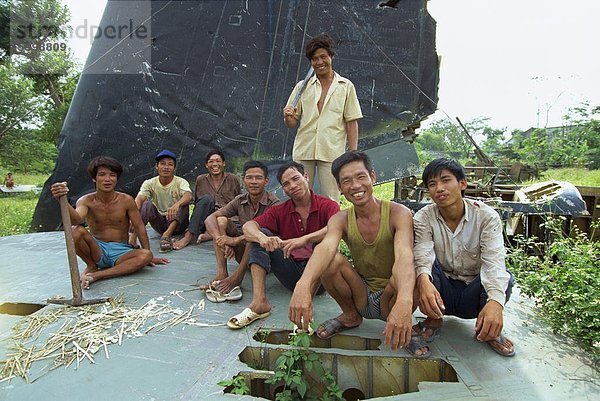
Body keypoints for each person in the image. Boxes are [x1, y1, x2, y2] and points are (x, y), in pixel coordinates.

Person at [288, 151, 429, 357]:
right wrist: (303, 286)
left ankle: (404, 327)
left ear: (373, 177)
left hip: (393, 294)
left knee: (414, 274)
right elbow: (325, 248)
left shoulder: (399, 213)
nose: (355, 186)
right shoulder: (340, 219)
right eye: (346, 181)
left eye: (361, 177)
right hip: (361, 293)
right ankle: (351, 315)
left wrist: (405, 303)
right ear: (339, 187)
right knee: (331, 260)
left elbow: (404, 257)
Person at [413, 158, 516, 357]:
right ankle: (433, 320)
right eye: (432, 184)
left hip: (473, 294)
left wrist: (495, 303)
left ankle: (490, 330)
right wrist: (423, 281)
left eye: (446, 180)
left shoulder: (486, 217)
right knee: (421, 269)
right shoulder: (424, 217)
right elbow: (423, 254)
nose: (439, 188)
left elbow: (494, 262)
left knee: (505, 278)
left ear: (462, 183)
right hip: (442, 294)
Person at [227, 161, 339, 329]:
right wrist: (261, 237)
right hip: (291, 273)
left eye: (296, 179)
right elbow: (247, 227)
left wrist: (305, 239)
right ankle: (259, 302)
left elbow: (337, 229)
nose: (292, 186)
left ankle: (306, 303)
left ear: (306, 177)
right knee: (261, 235)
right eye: (286, 184)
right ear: (283, 189)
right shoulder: (280, 210)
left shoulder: (328, 205)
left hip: (320, 277)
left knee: (322, 244)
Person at [50, 156, 168, 289]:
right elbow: (77, 219)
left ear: (117, 178)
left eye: (112, 175)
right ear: (94, 178)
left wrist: (148, 253)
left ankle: (97, 275)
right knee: (74, 231)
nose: (107, 179)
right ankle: (91, 265)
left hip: (122, 251)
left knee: (145, 255)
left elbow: (139, 227)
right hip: (97, 249)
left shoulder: (126, 200)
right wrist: (62, 200)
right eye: (102, 175)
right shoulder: (86, 200)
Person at [283, 33, 363, 201]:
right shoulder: (302, 86)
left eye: (323, 57)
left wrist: (353, 153)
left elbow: (351, 121)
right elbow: (291, 123)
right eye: (314, 59)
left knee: (331, 198)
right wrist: (288, 116)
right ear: (310, 63)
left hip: (332, 151)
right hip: (304, 149)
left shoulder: (345, 86)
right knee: (300, 196)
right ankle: (302, 227)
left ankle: (332, 228)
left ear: (331, 56)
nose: (319, 62)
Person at [202, 160, 280, 298]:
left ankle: (237, 278)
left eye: (259, 178)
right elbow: (210, 218)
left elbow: (268, 236)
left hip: (265, 255)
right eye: (249, 177)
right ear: (243, 180)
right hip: (242, 252)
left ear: (266, 181)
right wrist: (221, 240)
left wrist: (234, 240)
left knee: (255, 235)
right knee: (220, 221)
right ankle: (222, 273)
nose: (254, 181)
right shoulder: (240, 199)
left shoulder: (274, 203)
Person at [173, 150, 241, 250]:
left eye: (218, 161)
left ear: (223, 163)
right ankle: (188, 237)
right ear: (206, 165)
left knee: (222, 221)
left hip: (227, 219)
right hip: (208, 220)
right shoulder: (200, 179)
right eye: (211, 161)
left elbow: (239, 202)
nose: (215, 164)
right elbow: (199, 203)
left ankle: (210, 234)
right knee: (206, 199)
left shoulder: (233, 179)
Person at [131, 150, 193, 253]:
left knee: (183, 204)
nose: (166, 167)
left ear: (174, 168)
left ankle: (166, 236)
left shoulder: (180, 181)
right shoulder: (150, 183)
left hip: (178, 224)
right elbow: (140, 198)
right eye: (163, 164)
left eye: (170, 164)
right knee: (146, 204)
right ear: (157, 166)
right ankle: (133, 239)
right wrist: (133, 215)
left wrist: (177, 204)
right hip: (160, 223)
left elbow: (188, 195)